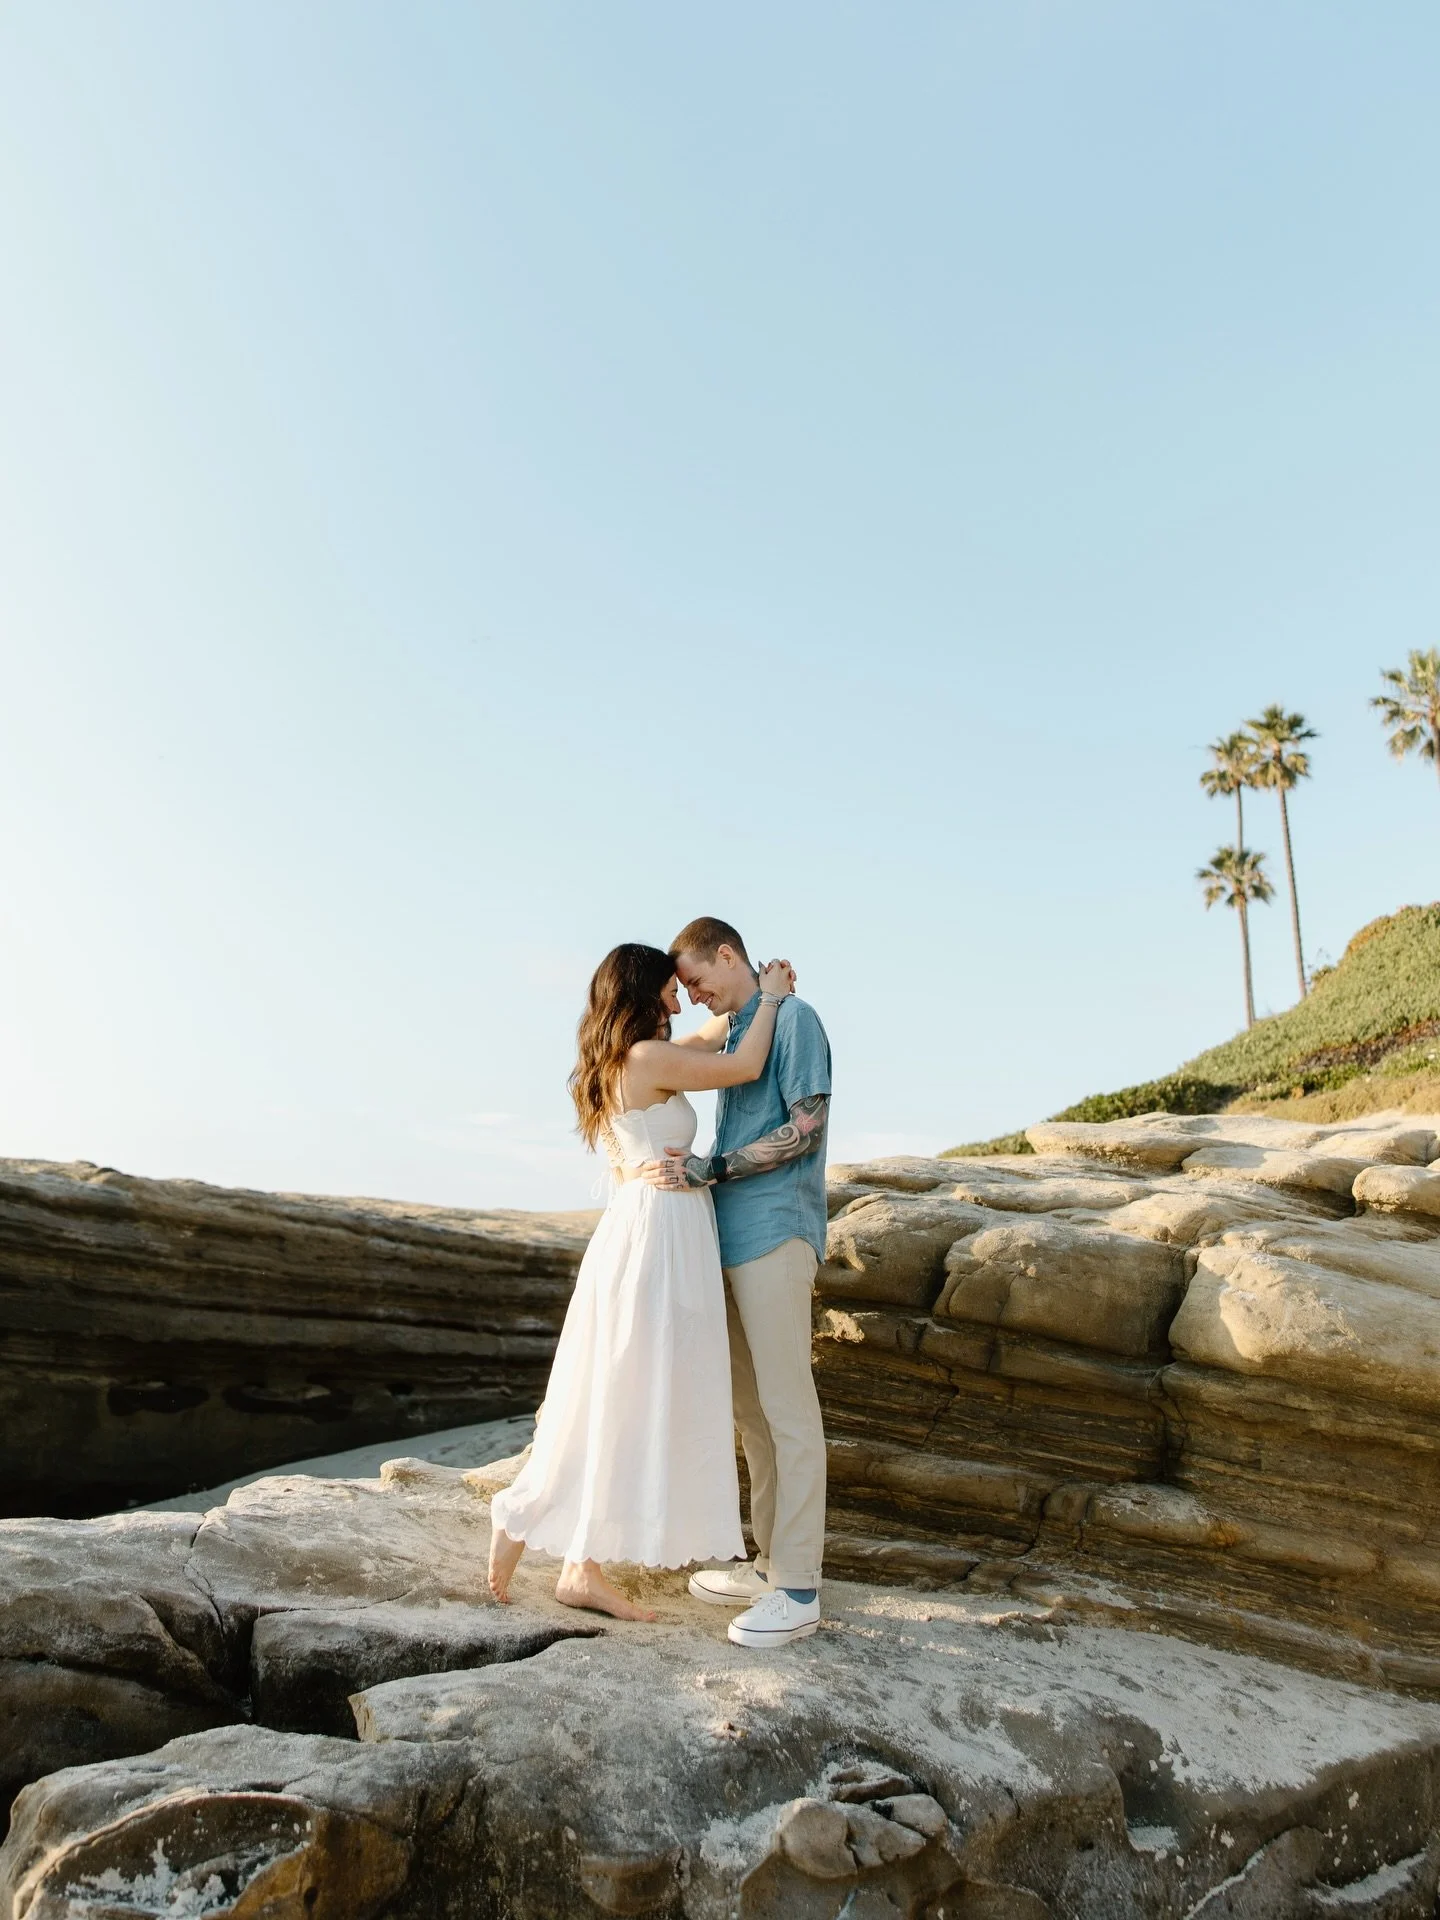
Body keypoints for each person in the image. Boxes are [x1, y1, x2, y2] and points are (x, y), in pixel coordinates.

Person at [487, 942, 795, 1621]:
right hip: (660, 1234)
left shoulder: (618, 1062)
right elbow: (743, 1063)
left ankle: (561, 1551)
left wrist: (745, 992)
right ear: (642, 989)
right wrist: (771, 998)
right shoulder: (648, 1060)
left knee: (620, 1386)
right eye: (671, 987)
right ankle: (558, 1549)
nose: (682, 998)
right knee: (633, 1387)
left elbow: (713, 1035)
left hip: (645, 1223)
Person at [641, 915, 831, 1651]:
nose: (693, 994)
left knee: (788, 1407)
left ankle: (800, 1589)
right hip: (730, 1233)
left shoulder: (798, 1020)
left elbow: (805, 1128)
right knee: (752, 1412)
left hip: (778, 1229)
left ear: (728, 955)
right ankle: (770, 1564)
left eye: (697, 979)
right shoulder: (746, 1024)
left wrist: (712, 1169)